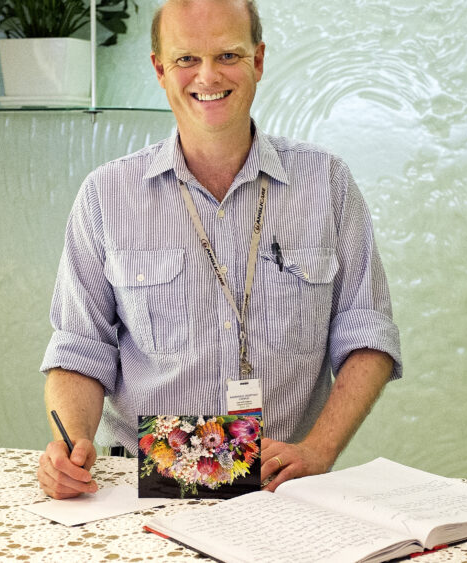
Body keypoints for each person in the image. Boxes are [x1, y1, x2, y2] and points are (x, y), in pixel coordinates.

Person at [36, 0, 401, 499]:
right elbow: (81, 348)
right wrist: (70, 443)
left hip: (281, 483)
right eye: (186, 59)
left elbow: (368, 333)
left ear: (258, 60)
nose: (207, 76)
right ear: (160, 69)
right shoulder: (106, 194)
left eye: (228, 55)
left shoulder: (327, 183)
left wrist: (320, 448)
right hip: (140, 484)